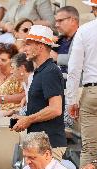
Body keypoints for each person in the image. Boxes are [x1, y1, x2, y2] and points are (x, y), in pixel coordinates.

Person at [12, 25, 66, 161]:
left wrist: (28, 119)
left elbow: (55, 109)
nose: (24, 49)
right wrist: (24, 119)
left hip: (48, 146)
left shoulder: (50, 71)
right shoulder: (42, 71)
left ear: (41, 47)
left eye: (29, 44)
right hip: (40, 145)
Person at [66, 0, 97, 169]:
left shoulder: (85, 30)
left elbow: (74, 70)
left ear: (93, 8)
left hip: (93, 91)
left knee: (89, 149)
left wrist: (72, 100)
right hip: (92, 90)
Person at [0, 43, 24, 114]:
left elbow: (27, 95)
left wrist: (2, 99)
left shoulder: (19, 75)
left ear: (12, 60)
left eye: (3, 60)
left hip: (12, 114)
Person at [52, 6, 79, 74]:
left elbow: (82, 60)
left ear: (72, 21)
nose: (56, 25)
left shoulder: (83, 38)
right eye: (56, 21)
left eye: (60, 21)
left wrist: (57, 57)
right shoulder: (58, 40)